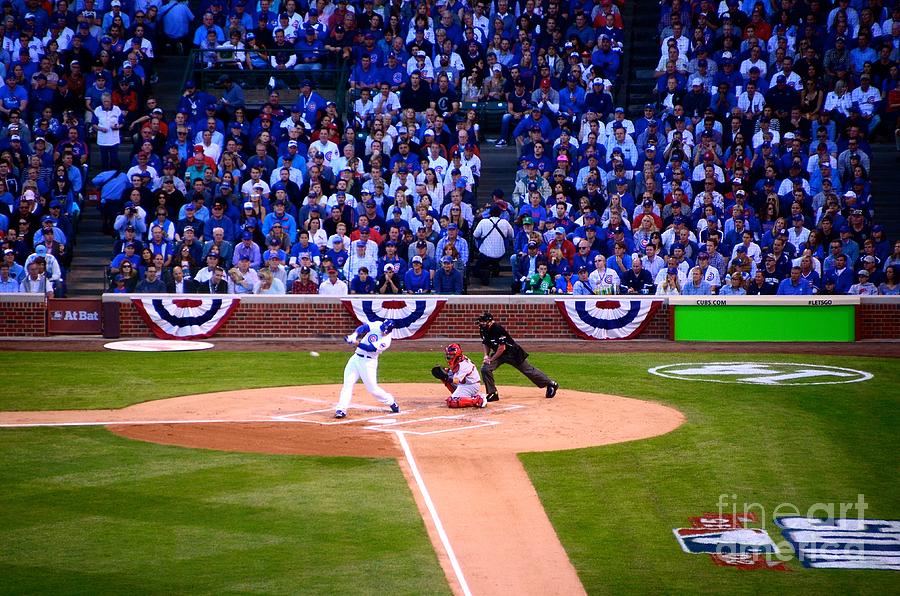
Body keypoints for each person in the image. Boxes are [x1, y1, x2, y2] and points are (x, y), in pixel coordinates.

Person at [477, 312, 558, 402]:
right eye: (481, 322)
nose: (482, 323)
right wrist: (486, 356)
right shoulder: (482, 329)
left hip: (513, 353)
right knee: (485, 369)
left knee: (528, 370)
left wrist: (491, 359)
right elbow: (486, 343)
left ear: (490, 321)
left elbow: (502, 348)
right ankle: (492, 393)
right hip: (498, 354)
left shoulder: (497, 329)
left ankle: (551, 384)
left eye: (484, 322)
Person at [335, 319, 400, 419]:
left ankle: (391, 401)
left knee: (373, 389)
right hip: (356, 358)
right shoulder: (378, 324)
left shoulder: (386, 341)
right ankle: (341, 409)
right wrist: (354, 334)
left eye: (385, 330)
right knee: (348, 383)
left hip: (368, 363)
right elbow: (364, 327)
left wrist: (355, 342)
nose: (382, 331)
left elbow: (370, 348)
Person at [431, 344, 488, 409]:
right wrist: (446, 372)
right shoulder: (458, 360)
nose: (449, 356)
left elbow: (456, 381)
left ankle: (478, 400)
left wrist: (446, 377)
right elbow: (455, 373)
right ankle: (459, 394)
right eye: (448, 354)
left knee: (452, 402)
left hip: (470, 385)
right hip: (464, 383)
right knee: (445, 373)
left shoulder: (463, 365)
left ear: (457, 355)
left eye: (451, 355)